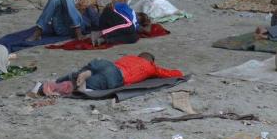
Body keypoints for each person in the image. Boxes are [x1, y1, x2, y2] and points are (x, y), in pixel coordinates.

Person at [26, 0, 150, 44]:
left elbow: (145, 30)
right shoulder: (124, 11)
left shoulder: (132, 23)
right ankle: (39, 30)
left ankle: (76, 30)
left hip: (73, 27)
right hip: (62, 24)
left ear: (139, 15)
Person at [35, 52, 183, 96]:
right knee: (86, 84)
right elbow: (170, 74)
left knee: (81, 73)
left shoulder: (129, 57)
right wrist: (180, 73)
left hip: (108, 65)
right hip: (116, 78)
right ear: (150, 61)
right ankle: (79, 83)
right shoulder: (150, 67)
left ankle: (60, 82)